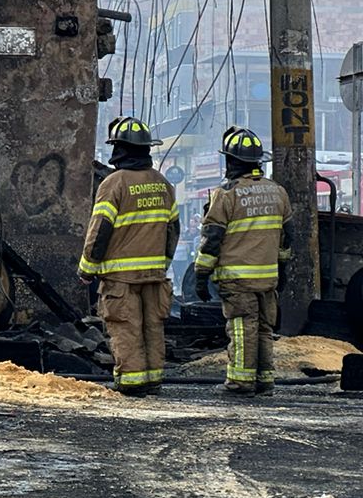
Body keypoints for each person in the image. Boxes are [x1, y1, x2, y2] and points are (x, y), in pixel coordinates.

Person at [79, 116, 179, 395]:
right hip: (155, 276)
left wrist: (87, 268)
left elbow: (99, 231)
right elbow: (174, 230)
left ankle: (132, 383)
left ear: (118, 149)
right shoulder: (163, 184)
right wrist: (163, 263)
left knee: (125, 327)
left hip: (120, 278)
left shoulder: (114, 184)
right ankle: (153, 379)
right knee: (152, 327)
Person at [194, 126, 293, 396]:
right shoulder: (278, 192)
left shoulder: (226, 194)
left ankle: (240, 382)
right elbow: (287, 237)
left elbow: (212, 239)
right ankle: (265, 381)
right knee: (263, 328)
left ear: (231, 161)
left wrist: (201, 275)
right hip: (267, 278)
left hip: (237, 279)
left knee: (241, 328)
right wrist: (281, 270)